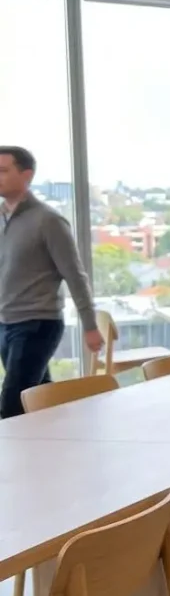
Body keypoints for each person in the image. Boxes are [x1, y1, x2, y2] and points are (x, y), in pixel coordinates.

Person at [0, 146, 103, 419]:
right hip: (6, 323)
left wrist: (90, 325)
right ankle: (65, 449)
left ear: (26, 175)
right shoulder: (2, 218)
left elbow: (75, 274)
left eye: (3, 170)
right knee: (40, 400)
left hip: (38, 324)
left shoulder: (48, 220)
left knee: (11, 405)